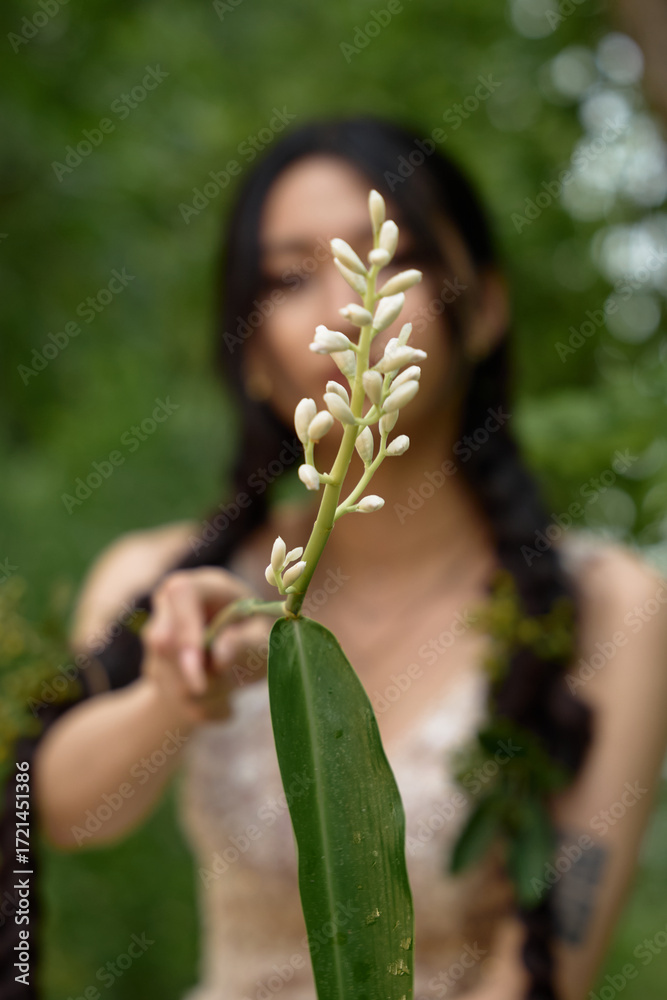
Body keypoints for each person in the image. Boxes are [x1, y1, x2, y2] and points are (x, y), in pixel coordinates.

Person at [33, 117, 667, 1000]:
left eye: (390, 261)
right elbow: (58, 815)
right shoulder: (164, 577)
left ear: (483, 308)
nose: (348, 309)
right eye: (291, 276)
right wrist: (172, 694)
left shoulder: (609, 606)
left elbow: (544, 969)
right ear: (252, 353)